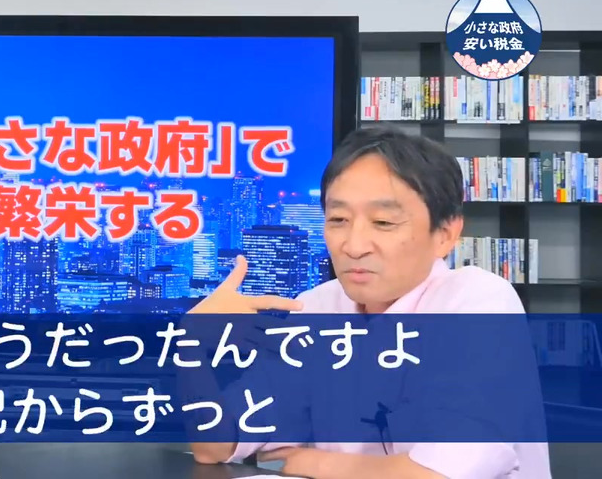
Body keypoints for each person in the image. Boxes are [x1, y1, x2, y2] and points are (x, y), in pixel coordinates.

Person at [188, 125, 552, 478]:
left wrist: (319, 464)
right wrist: (191, 348)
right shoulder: (316, 308)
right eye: (338, 219)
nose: (354, 245)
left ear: (445, 233)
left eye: (383, 222)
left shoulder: (478, 301)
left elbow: (436, 474)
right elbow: (215, 446)